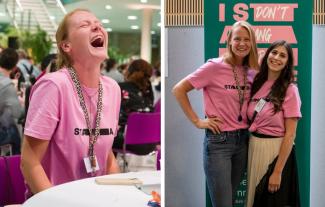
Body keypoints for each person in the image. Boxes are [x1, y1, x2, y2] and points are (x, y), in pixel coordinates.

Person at [21, 9, 121, 197]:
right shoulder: (54, 86)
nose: (97, 26)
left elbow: (107, 156)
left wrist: (118, 197)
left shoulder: (112, 89)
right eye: (85, 25)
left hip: (96, 198)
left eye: (98, 23)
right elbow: (30, 161)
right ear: (66, 46)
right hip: (55, 200)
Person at [172, 21, 259, 207]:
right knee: (223, 203)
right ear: (229, 41)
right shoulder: (213, 67)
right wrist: (197, 121)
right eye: (237, 39)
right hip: (219, 142)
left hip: (243, 141)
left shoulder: (251, 71)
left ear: (252, 43)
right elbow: (178, 89)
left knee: (231, 200)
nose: (242, 43)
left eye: (247, 39)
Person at [246, 40, 301, 207]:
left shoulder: (290, 89)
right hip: (254, 147)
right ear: (267, 54)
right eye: (274, 52)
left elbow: (290, 134)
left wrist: (277, 172)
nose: (277, 57)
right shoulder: (257, 83)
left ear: (287, 63)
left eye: (283, 55)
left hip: (275, 152)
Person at [113, 59, 156, 155]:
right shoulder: (148, 91)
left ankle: (111, 168)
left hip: (129, 141)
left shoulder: (119, 88)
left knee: (104, 136)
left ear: (129, 71)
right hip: (151, 142)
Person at [0, 48, 23, 154]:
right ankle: (14, 165)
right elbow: (17, 113)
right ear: (14, 67)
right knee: (14, 130)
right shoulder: (7, 85)